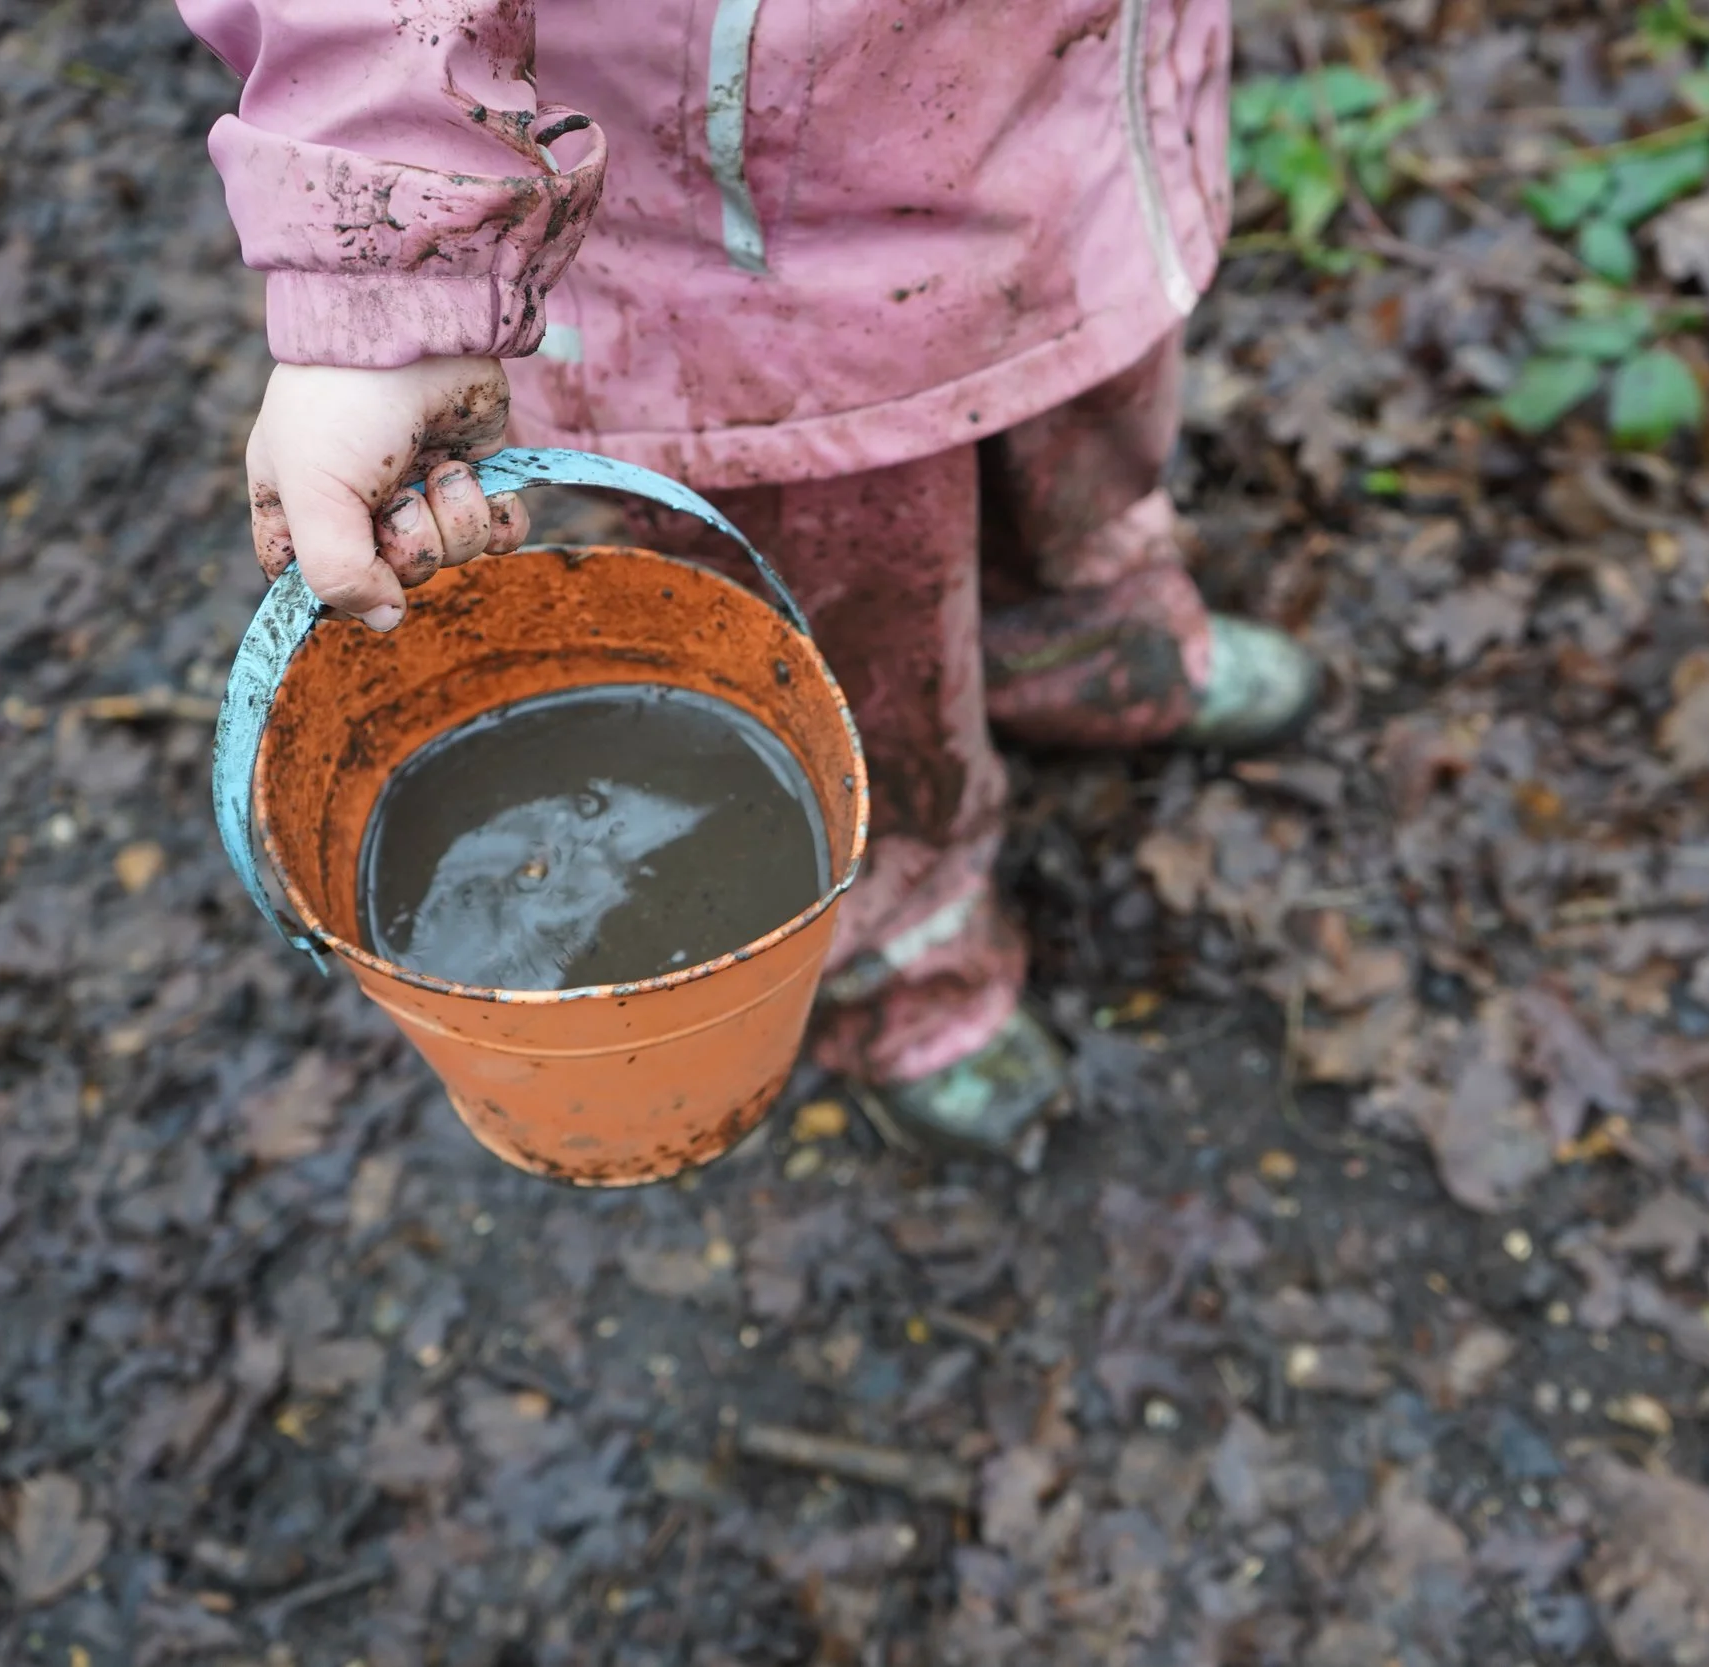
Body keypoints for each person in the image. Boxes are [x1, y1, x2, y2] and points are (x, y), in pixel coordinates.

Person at [177, 0, 1318, 1160]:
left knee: (1076, 449)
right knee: (851, 630)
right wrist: (387, 270)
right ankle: (899, 944)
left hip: (1078, 122)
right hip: (749, 242)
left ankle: (1066, 636)